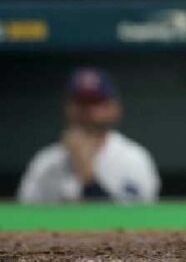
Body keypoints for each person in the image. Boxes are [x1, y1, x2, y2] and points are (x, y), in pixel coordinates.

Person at [17, 67, 159, 203]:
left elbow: (133, 223)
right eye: (81, 103)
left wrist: (87, 175)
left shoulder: (134, 160)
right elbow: (22, 222)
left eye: (96, 102)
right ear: (68, 108)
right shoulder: (45, 163)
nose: (88, 111)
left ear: (115, 109)